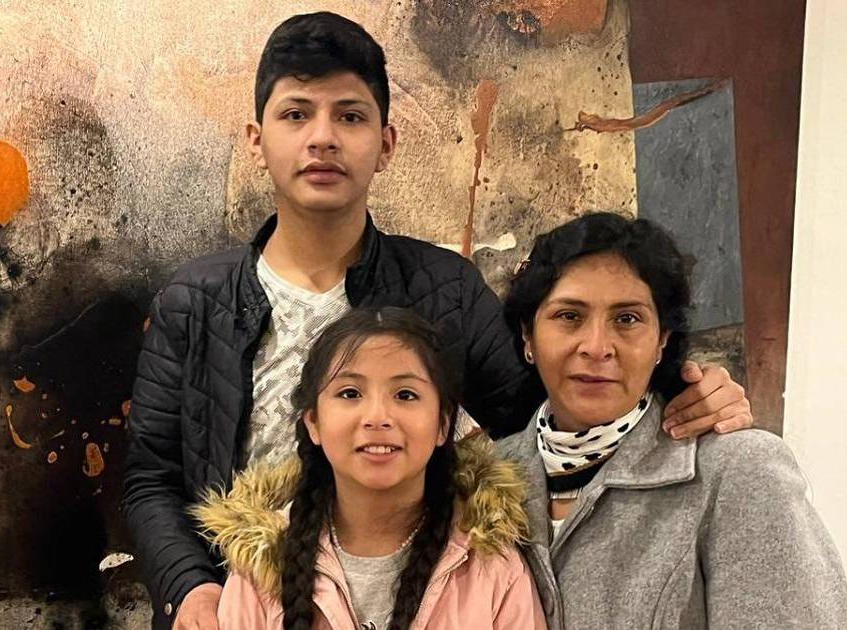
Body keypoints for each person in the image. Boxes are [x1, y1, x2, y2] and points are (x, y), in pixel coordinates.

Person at [122, 12, 752, 629]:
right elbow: (152, 477)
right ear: (256, 141)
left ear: (386, 144)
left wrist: (679, 392)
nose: (322, 138)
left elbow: (543, 418)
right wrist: (191, 589)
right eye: (296, 114)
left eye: (350, 116)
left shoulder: (445, 288)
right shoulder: (194, 300)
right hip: (245, 604)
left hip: (431, 596)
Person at [492, 212, 847, 629]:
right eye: (569, 316)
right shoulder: (481, 479)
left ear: (662, 339)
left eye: (627, 319)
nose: (597, 347)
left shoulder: (736, 471)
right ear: (528, 336)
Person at [195, 307, 546, 629]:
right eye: (350, 393)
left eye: (405, 395)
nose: (378, 417)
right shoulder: (259, 571)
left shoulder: (493, 568)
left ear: (442, 424)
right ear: (314, 422)